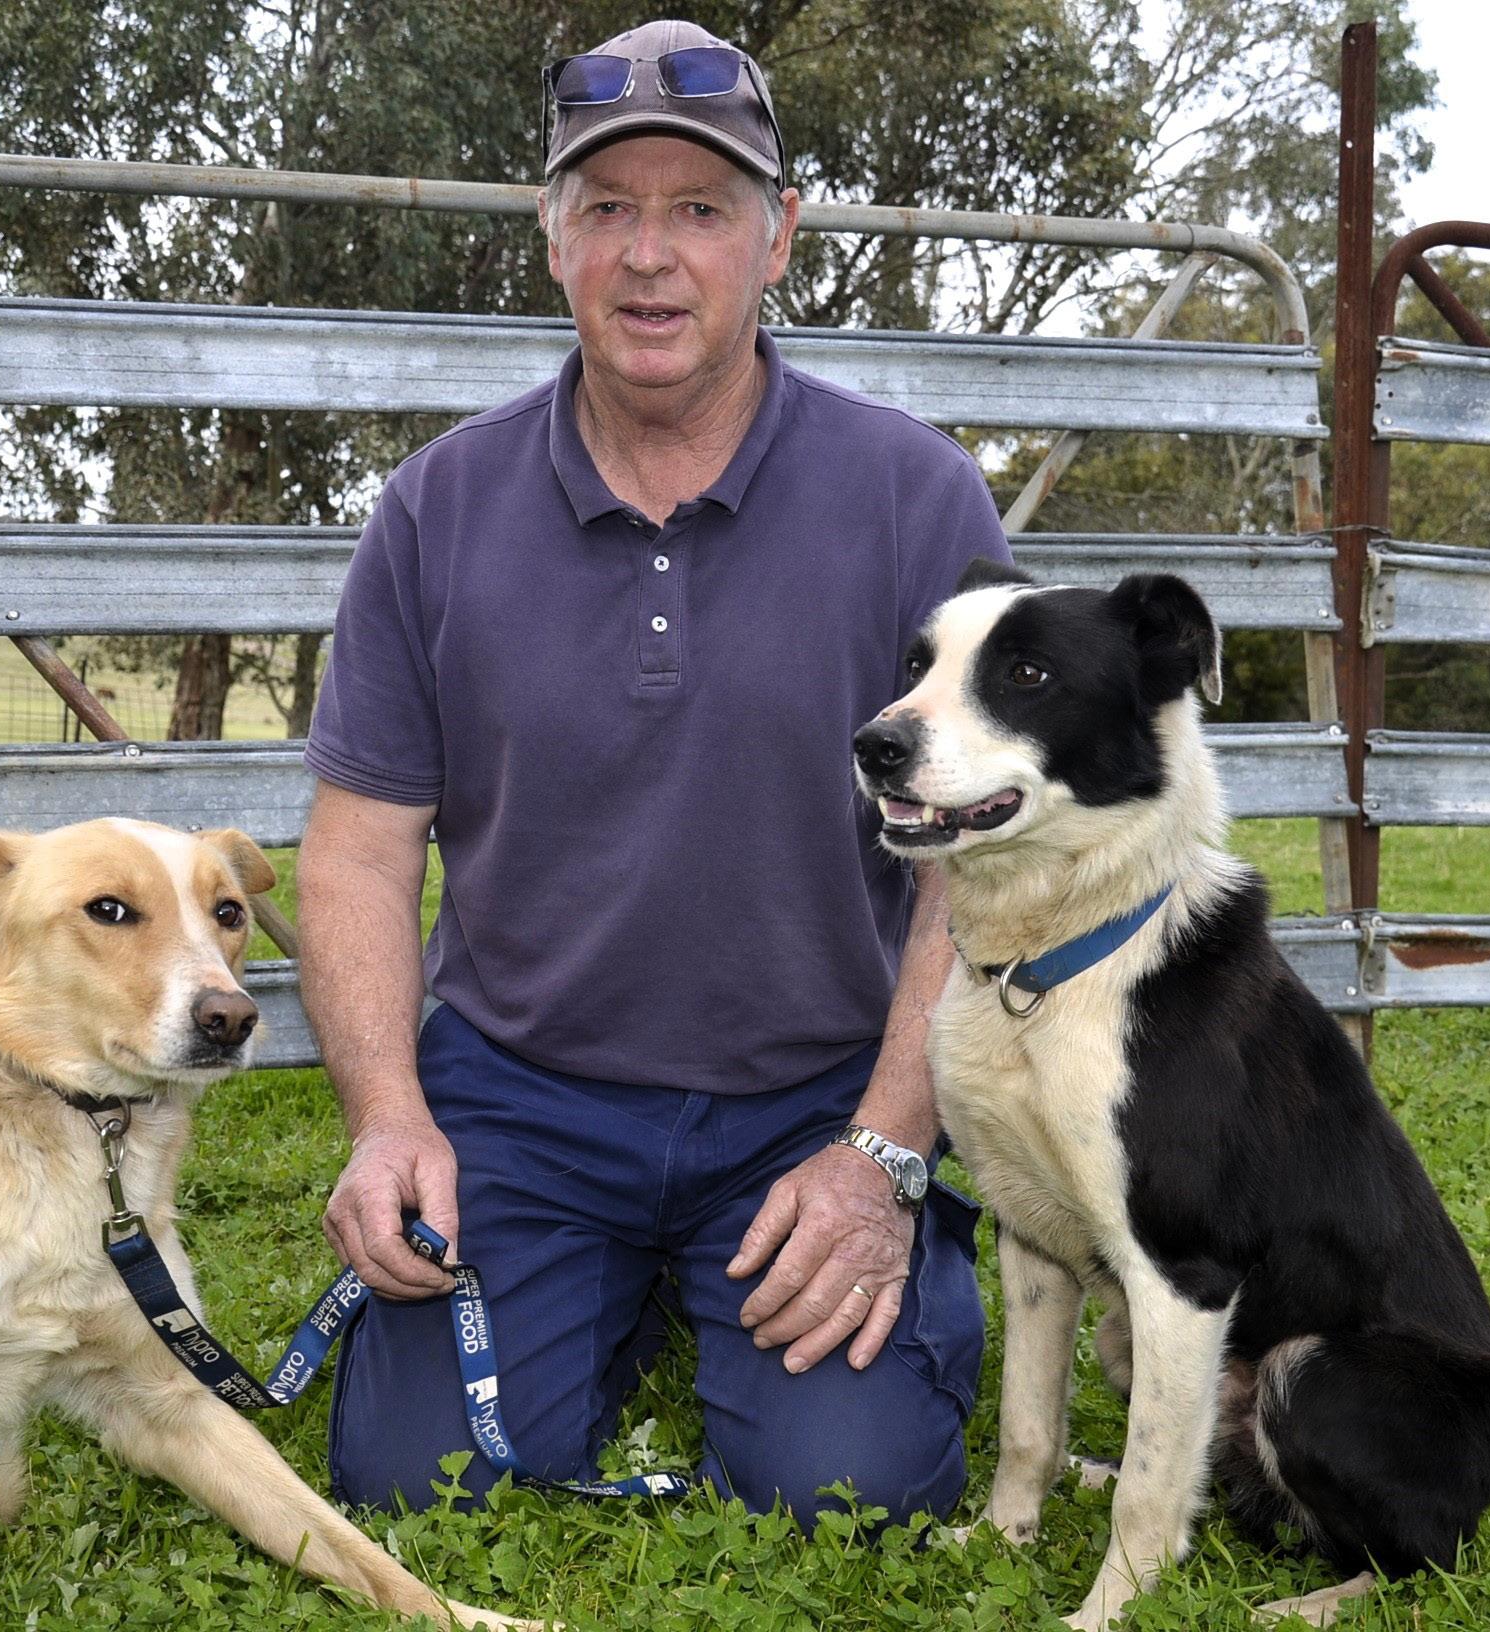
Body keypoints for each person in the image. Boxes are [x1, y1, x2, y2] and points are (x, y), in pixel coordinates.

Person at [298, 17, 1013, 1529]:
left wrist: (885, 1148)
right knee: (422, 1485)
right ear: (551, 237)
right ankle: (599, 1285)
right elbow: (360, 849)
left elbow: (978, 861)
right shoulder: (433, 508)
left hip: (815, 1092)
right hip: (519, 1095)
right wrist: (389, 1116)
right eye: (607, 208)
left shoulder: (915, 496)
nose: (648, 256)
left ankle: (816, 1271)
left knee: (848, 1493)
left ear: (778, 238)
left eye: (699, 208)